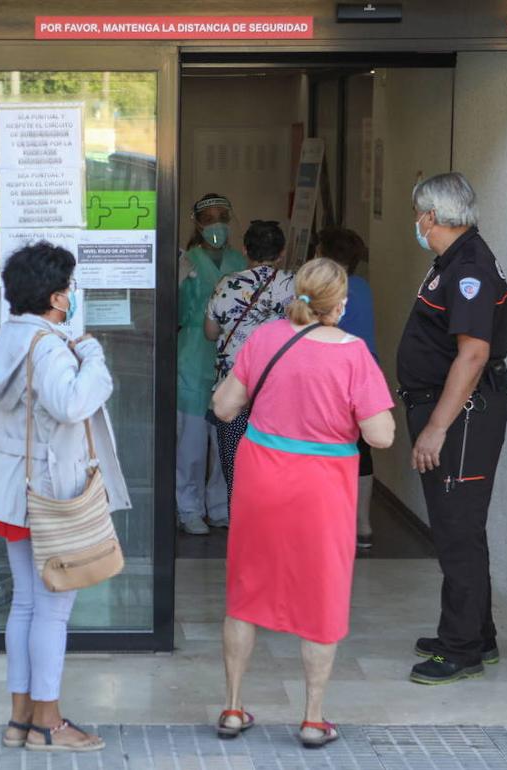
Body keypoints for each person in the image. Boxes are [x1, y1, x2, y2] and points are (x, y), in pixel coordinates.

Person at [211, 258, 395, 748]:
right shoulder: (354, 354)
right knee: (321, 593)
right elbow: (380, 435)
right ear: (340, 303)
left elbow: (224, 406)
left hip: (260, 478)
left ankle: (232, 707)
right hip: (321, 486)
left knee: (246, 590)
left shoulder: (265, 338)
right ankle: (313, 718)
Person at [0, 241, 131, 753]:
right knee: (52, 610)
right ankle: (49, 721)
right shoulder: (46, 343)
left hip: (11, 487)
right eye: (68, 287)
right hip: (47, 493)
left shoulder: (11, 334)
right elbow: (70, 403)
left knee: (26, 602)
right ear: (55, 296)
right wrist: (91, 355)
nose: (72, 294)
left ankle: (20, 718)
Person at [397, 172, 507, 685]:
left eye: (418, 213)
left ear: (430, 216)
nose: (416, 222)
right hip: (448, 410)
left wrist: (435, 429)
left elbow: (473, 353)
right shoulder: (453, 260)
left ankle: (461, 648)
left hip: (462, 418)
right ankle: (477, 633)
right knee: (461, 524)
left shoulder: (469, 268)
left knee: (457, 530)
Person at [204, 220, 296, 499]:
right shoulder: (292, 284)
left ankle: (242, 532)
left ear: (245, 249)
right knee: (279, 469)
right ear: (281, 252)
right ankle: (275, 534)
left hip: (235, 388)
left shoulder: (226, 284)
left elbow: (210, 332)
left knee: (237, 469)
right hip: (279, 391)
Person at [177, 193, 247, 534]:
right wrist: (176, 280)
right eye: (209, 218)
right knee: (190, 442)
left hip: (231, 358)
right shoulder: (187, 261)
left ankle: (220, 505)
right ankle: (188, 507)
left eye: (222, 216)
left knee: (225, 440)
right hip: (193, 355)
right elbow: (173, 313)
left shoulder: (239, 261)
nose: (216, 224)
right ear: (198, 224)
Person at [317, 227, 380, 550]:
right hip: (365, 378)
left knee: (327, 451)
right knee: (361, 452)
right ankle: (363, 525)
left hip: (333, 381)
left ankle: (331, 527)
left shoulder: (326, 291)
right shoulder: (363, 287)